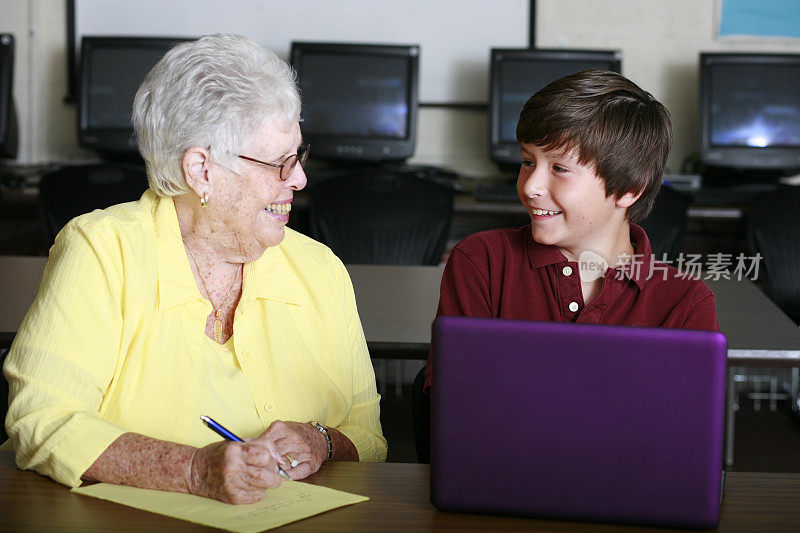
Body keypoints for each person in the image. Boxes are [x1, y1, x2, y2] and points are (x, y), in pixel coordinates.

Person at [3, 34, 386, 504]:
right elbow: (41, 419)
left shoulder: (320, 269)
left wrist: (323, 442)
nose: (301, 179)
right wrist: (190, 469)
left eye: (299, 156)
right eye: (280, 163)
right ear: (202, 169)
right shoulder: (102, 250)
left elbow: (371, 438)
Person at [424, 69, 718, 391]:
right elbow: (455, 404)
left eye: (559, 168)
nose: (531, 186)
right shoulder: (483, 261)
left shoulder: (685, 302)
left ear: (630, 188)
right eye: (527, 162)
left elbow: (683, 429)